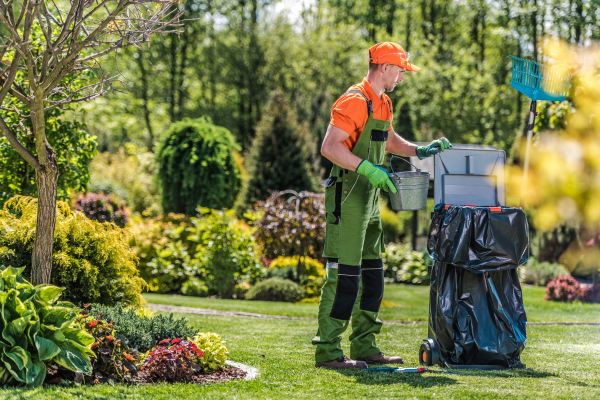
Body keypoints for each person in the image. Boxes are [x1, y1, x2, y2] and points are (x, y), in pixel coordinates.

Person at [312, 42, 452, 369]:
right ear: (386, 67)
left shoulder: (383, 102)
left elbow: (388, 140)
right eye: (401, 69)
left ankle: (364, 344)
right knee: (344, 276)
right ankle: (328, 350)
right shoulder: (354, 100)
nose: (402, 75)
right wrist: (366, 168)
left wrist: (420, 150)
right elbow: (330, 148)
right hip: (347, 198)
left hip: (371, 199)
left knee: (373, 274)